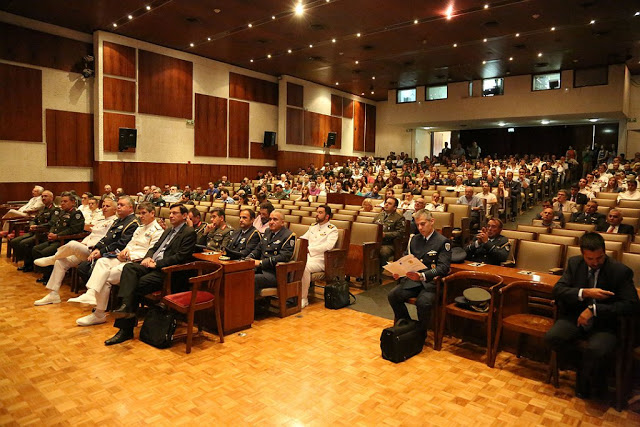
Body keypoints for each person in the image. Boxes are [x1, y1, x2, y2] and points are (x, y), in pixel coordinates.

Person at [545, 233, 639, 398]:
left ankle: (586, 378)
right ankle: (583, 367)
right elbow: (558, 290)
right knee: (552, 337)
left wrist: (594, 309)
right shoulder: (575, 263)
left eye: (599, 258)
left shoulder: (620, 271)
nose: (595, 262)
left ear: (604, 252)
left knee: (597, 350)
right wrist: (585, 292)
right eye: (590, 259)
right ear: (582, 254)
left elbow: (631, 305)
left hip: (604, 323)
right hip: (575, 318)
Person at [106, 204, 196, 345]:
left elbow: (181, 257)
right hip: (151, 264)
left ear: (185, 216)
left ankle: (125, 329)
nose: (170, 216)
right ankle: (125, 308)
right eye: (170, 213)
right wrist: (148, 257)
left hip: (166, 272)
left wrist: (157, 264)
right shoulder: (167, 231)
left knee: (133, 286)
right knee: (129, 268)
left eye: (175, 213)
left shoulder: (189, 232)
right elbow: (154, 247)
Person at [67, 202, 163, 326]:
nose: (141, 216)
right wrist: (123, 252)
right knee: (102, 262)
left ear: (152, 213)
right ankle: (91, 294)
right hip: (125, 257)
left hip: (135, 262)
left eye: (144, 213)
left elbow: (151, 252)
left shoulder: (158, 231)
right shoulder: (139, 228)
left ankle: (99, 313)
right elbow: (130, 244)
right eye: (140, 213)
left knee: (107, 276)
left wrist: (129, 256)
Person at [32, 198, 118, 305]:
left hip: (95, 251)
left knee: (72, 244)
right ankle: (53, 294)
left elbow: (106, 239)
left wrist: (88, 246)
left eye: (108, 206)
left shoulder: (115, 223)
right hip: (85, 248)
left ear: (115, 210)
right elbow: (91, 235)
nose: (104, 208)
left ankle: (53, 258)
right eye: (103, 206)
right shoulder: (100, 221)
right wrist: (83, 243)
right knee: (61, 262)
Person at [387, 209, 452, 332]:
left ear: (432, 221)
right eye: (417, 225)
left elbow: (443, 268)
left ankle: (421, 332)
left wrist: (422, 275)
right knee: (393, 295)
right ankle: (407, 325)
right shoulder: (415, 239)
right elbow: (406, 259)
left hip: (431, 283)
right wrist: (399, 271)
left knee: (423, 303)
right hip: (413, 282)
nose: (420, 227)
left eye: (423, 224)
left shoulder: (442, 242)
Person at [30, 192, 85, 282]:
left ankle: (49, 277)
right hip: (55, 238)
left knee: (45, 252)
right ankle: (46, 274)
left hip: (65, 241)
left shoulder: (76, 214)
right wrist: (51, 233)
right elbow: (54, 225)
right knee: (36, 249)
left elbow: (73, 230)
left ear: (73, 202)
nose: (62, 203)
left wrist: (58, 236)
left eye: (65, 201)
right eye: (62, 201)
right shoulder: (62, 212)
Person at [247, 211, 296, 299]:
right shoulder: (268, 231)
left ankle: (251, 308)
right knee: (239, 274)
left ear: (282, 222)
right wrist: (249, 258)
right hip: (260, 269)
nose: (271, 222)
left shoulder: (289, 235)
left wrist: (261, 263)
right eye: (270, 219)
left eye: (275, 219)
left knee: (251, 278)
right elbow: (258, 249)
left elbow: (283, 257)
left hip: (275, 273)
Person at [299, 205, 339, 309]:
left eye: (320, 212)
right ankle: (292, 295)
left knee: (304, 267)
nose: (317, 214)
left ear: (327, 216)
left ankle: (304, 298)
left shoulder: (332, 229)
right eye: (317, 212)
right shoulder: (313, 227)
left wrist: (310, 249)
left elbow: (328, 246)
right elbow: (304, 238)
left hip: (322, 259)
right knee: (294, 263)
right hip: (308, 256)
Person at [11, 191, 57, 272]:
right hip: (34, 232)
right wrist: (32, 225)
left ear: (51, 198)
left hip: (43, 233)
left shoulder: (55, 210)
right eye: (42, 196)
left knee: (24, 243)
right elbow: (34, 219)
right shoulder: (42, 209)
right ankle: (26, 261)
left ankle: (29, 265)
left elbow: (51, 223)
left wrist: (37, 226)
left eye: (46, 196)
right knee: (15, 241)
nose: (43, 198)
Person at [374, 197, 406, 266]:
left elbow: (400, 233)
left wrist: (385, 235)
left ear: (395, 207)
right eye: (386, 203)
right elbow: (372, 227)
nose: (386, 205)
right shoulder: (378, 215)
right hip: (375, 241)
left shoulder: (399, 218)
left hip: (389, 243)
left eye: (389, 203)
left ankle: (379, 271)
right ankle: (367, 272)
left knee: (383, 252)